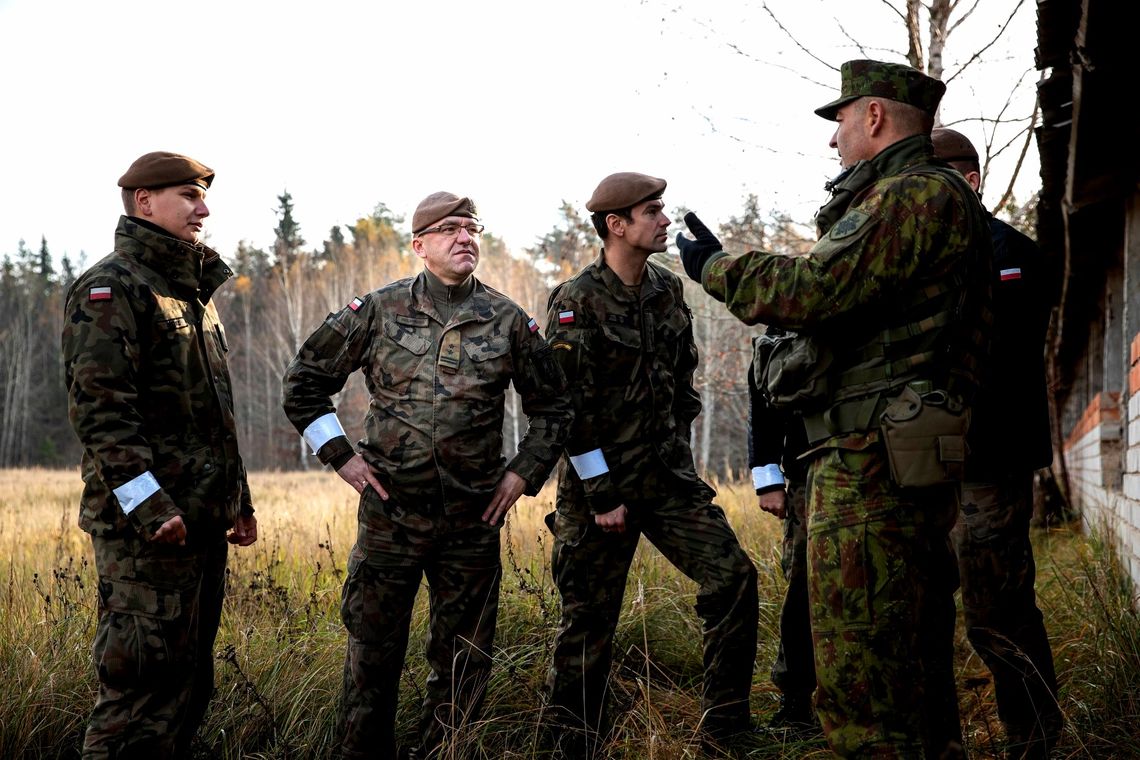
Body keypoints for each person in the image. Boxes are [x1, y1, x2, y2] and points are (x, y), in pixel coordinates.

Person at [675, 60, 993, 758]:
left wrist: (716, 267)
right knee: (909, 671)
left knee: (862, 681)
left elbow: (816, 289)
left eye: (841, 121)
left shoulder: (913, 196)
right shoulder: (926, 197)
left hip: (870, 465)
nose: (834, 140)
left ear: (874, 116)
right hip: (884, 457)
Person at [281, 191, 571, 759]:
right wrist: (341, 456)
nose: (465, 237)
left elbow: (556, 408)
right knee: (372, 657)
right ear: (419, 246)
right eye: (449, 229)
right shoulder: (378, 311)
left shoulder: (507, 318)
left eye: (471, 228)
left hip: (472, 520)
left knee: (464, 663)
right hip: (391, 517)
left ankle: (448, 752)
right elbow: (303, 384)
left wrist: (522, 475)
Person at [542, 172, 759, 756]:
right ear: (617, 225)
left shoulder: (666, 290)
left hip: (667, 481)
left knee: (734, 578)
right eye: (652, 212)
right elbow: (565, 408)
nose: (665, 221)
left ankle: (727, 730)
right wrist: (602, 492)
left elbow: (682, 382)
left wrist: (674, 454)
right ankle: (571, 743)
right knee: (588, 623)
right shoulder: (575, 299)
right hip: (599, 492)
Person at [62, 151, 258, 759]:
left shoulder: (191, 293)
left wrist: (237, 499)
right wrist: (149, 507)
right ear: (145, 202)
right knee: (137, 691)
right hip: (147, 532)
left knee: (189, 686)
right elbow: (101, 412)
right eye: (188, 196)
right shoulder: (112, 287)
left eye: (203, 197)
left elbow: (214, 414)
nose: (204, 209)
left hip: (199, 521)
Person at [932, 126, 1062, 759]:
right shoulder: (917, 254)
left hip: (990, 459)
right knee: (924, 608)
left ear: (971, 181)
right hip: (923, 462)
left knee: (997, 609)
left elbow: (1004, 360)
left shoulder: (1013, 254)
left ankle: (1034, 738)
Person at [746, 329, 819, 737]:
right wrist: (767, 476)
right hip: (808, 474)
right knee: (804, 589)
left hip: (882, 467)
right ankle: (796, 702)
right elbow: (762, 389)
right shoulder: (793, 303)